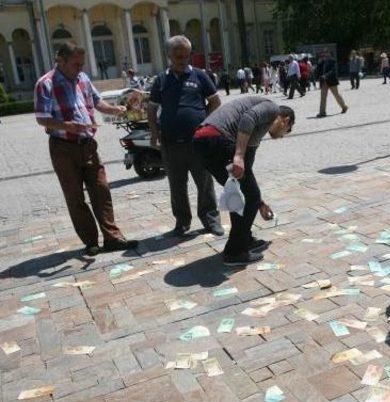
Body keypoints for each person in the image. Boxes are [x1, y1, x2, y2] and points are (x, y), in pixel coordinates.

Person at [34, 42, 138, 256]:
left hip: (88, 145)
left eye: (82, 64)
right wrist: (67, 126)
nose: (80, 68)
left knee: (101, 190)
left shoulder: (83, 79)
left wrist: (115, 110)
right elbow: (42, 118)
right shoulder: (45, 84)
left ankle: (112, 238)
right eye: (76, 64)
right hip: (63, 148)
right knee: (75, 196)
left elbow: (98, 102)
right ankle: (91, 241)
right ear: (60, 61)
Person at [192, 97, 295, 266]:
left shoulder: (256, 131)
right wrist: (238, 155)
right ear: (286, 120)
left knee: (239, 194)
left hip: (202, 141)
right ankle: (235, 252)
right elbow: (248, 118)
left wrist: (259, 203)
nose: (283, 136)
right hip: (216, 138)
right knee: (248, 196)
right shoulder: (272, 109)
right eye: (287, 130)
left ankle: (244, 240)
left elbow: (247, 171)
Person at [147, 35, 223, 237]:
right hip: (171, 144)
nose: (183, 60)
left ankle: (210, 220)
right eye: (178, 56)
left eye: (187, 56)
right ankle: (182, 222)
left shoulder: (199, 76)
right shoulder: (161, 80)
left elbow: (215, 101)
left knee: (205, 183)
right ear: (169, 56)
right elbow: (152, 109)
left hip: (197, 141)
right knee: (177, 185)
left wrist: (206, 122)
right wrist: (154, 133)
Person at [316, 50, 348, 117]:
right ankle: (322, 112)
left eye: (325, 54)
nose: (323, 56)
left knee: (336, 95)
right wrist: (319, 64)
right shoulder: (321, 62)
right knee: (323, 97)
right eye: (322, 55)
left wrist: (325, 76)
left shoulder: (332, 61)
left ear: (329, 54)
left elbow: (332, 71)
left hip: (332, 81)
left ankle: (344, 107)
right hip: (324, 82)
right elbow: (318, 71)